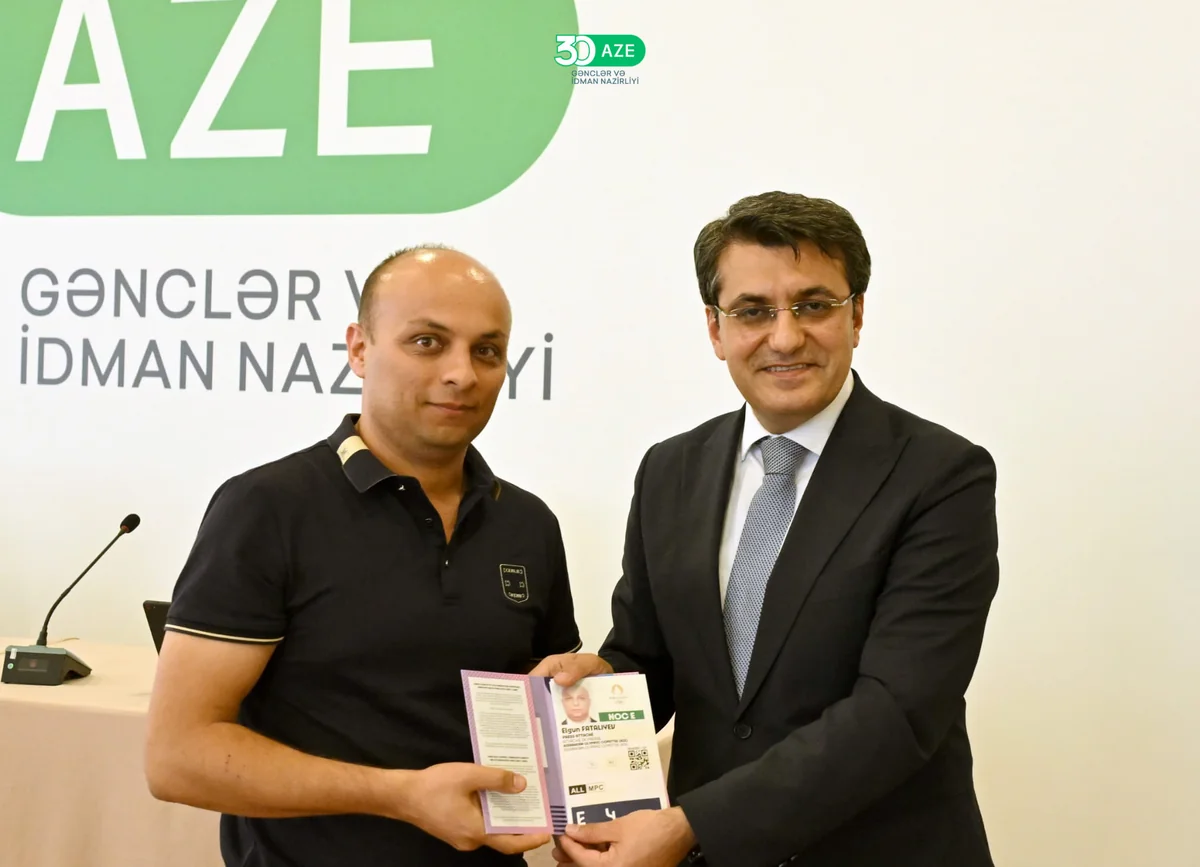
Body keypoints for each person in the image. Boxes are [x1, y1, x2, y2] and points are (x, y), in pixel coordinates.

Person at [535, 192, 1000, 866]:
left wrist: (694, 824)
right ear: (715, 329)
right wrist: (600, 681)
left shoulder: (940, 475)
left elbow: (897, 710)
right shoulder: (670, 470)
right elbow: (650, 659)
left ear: (857, 315)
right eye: (753, 311)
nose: (785, 337)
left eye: (813, 305)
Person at [144, 247, 583, 866]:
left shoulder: (528, 523)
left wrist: (584, 703)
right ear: (359, 349)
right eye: (428, 342)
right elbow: (177, 758)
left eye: (487, 350)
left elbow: (547, 716)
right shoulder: (268, 507)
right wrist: (399, 796)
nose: (462, 373)